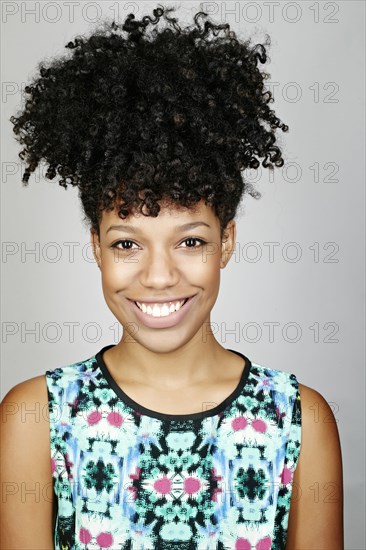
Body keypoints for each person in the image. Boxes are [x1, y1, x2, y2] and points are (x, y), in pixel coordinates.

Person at [1, 4, 343, 549]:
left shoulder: (300, 420)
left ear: (226, 241)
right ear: (95, 246)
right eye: (127, 243)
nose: (159, 276)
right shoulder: (35, 417)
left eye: (190, 241)